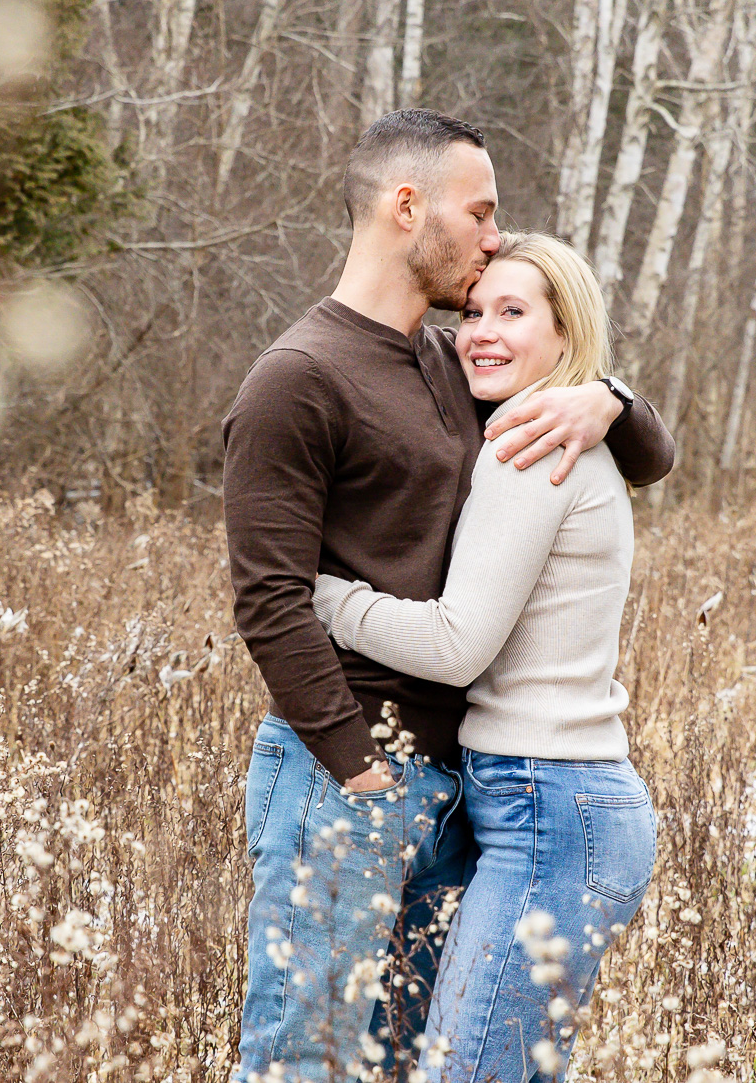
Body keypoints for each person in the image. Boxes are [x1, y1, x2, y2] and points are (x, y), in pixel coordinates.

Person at [222, 110, 673, 1082]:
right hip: (345, 780)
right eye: (481, 212)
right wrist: (354, 766)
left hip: (457, 790)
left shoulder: (445, 363)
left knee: (402, 1062)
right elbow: (268, 600)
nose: (494, 236)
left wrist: (613, 399)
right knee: (310, 1058)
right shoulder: (297, 379)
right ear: (406, 207)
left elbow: (649, 457)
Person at [311, 232, 657, 1083]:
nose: (483, 332)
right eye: (473, 312)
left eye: (513, 312)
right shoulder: (557, 428)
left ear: (566, 334)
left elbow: (455, 646)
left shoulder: (526, 446)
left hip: (551, 807)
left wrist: (322, 595)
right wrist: (608, 395)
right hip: (558, 804)